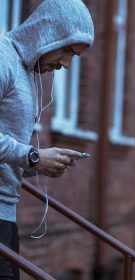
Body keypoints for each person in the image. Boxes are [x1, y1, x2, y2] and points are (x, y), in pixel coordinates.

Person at [0, 0, 95, 278]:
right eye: (66, 50)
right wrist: (34, 156)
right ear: (48, 31)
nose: (66, 64)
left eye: (73, 57)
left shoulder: (27, 73)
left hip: (7, 218)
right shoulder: (3, 58)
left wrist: (40, 164)